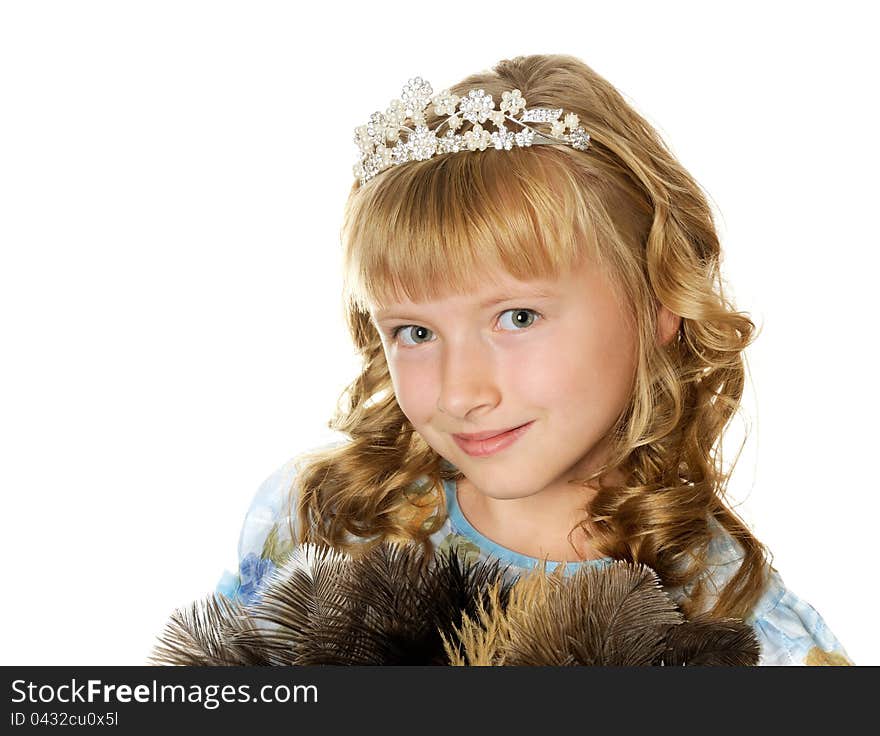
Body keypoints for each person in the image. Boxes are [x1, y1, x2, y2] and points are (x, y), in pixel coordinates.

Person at [214, 53, 851, 666]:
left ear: (659, 300)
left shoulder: (743, 631)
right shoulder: (323, 523)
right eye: (414, 332)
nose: (460, 393)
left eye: (518, 318)